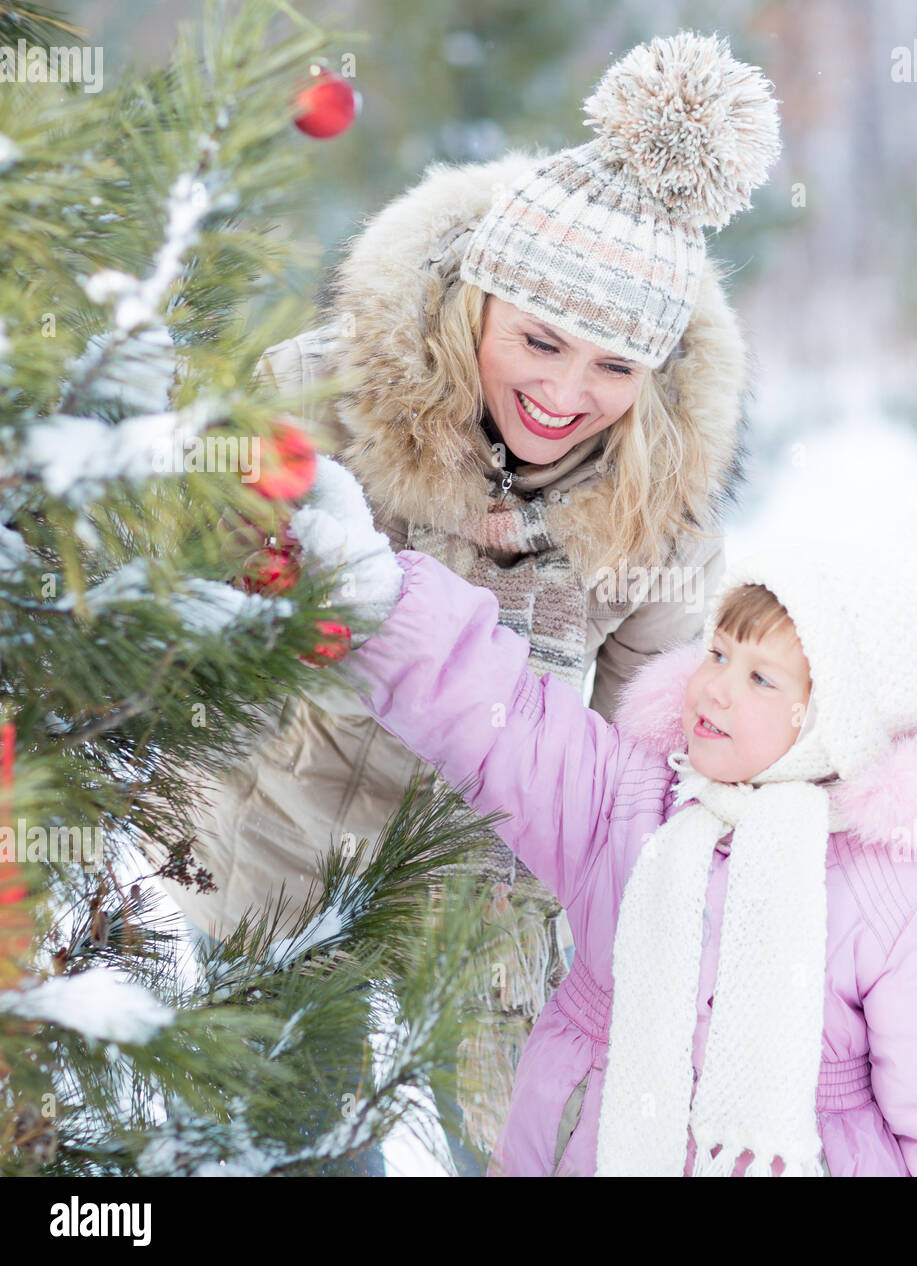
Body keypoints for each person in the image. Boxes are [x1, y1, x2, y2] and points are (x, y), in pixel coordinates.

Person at [159, 30, 782, 1173]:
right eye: (539, 340)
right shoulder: (322, 396)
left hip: (501, 888)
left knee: (534, 1153)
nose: (562, 392)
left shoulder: (663, 507)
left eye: (611, 365)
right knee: (273, 1146)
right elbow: (186, 594)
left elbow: (650, 726)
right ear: (477, 305)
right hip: (283, 846)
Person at [302, 448, 917, 1177]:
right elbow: (503, 722)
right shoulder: (628, 800)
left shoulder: (904, 905)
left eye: (762, 678)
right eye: (719, 653)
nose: (716, 688)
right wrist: (372, 592)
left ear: (838, 721)